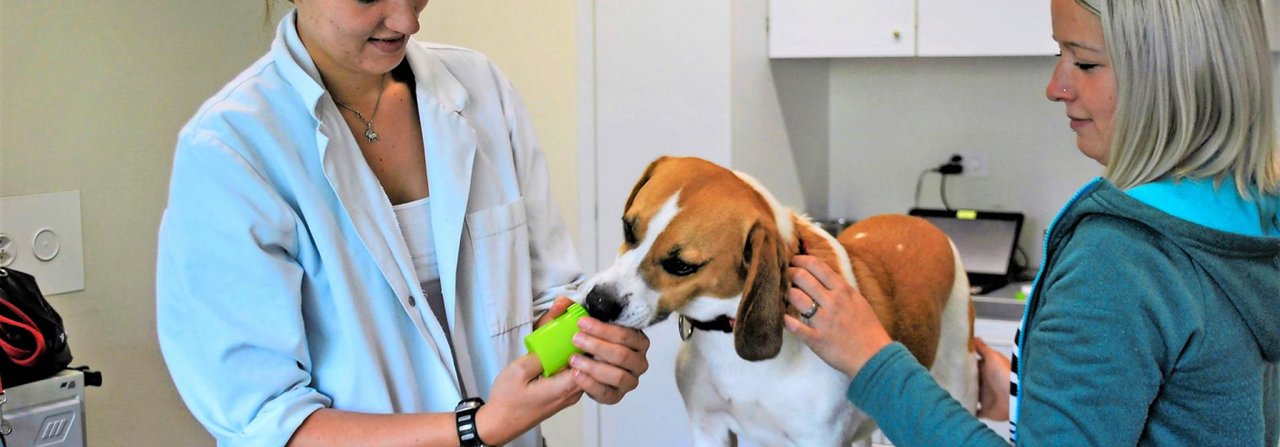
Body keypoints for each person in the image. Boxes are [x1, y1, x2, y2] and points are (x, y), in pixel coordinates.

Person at [783, 0, 1280, 445]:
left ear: (1171, 74)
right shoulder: (1257, 214)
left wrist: (871, 359)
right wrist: (1033, 396)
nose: (1055, 87)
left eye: (1084, 61)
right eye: (1058, 54)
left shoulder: (1118, 257)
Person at [155, 1, 650, 445]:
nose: (408, 20)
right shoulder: (231, 149)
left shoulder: (480, 88)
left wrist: (587, 358)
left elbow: (546, 295)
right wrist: (476, 429)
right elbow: (265, 421)